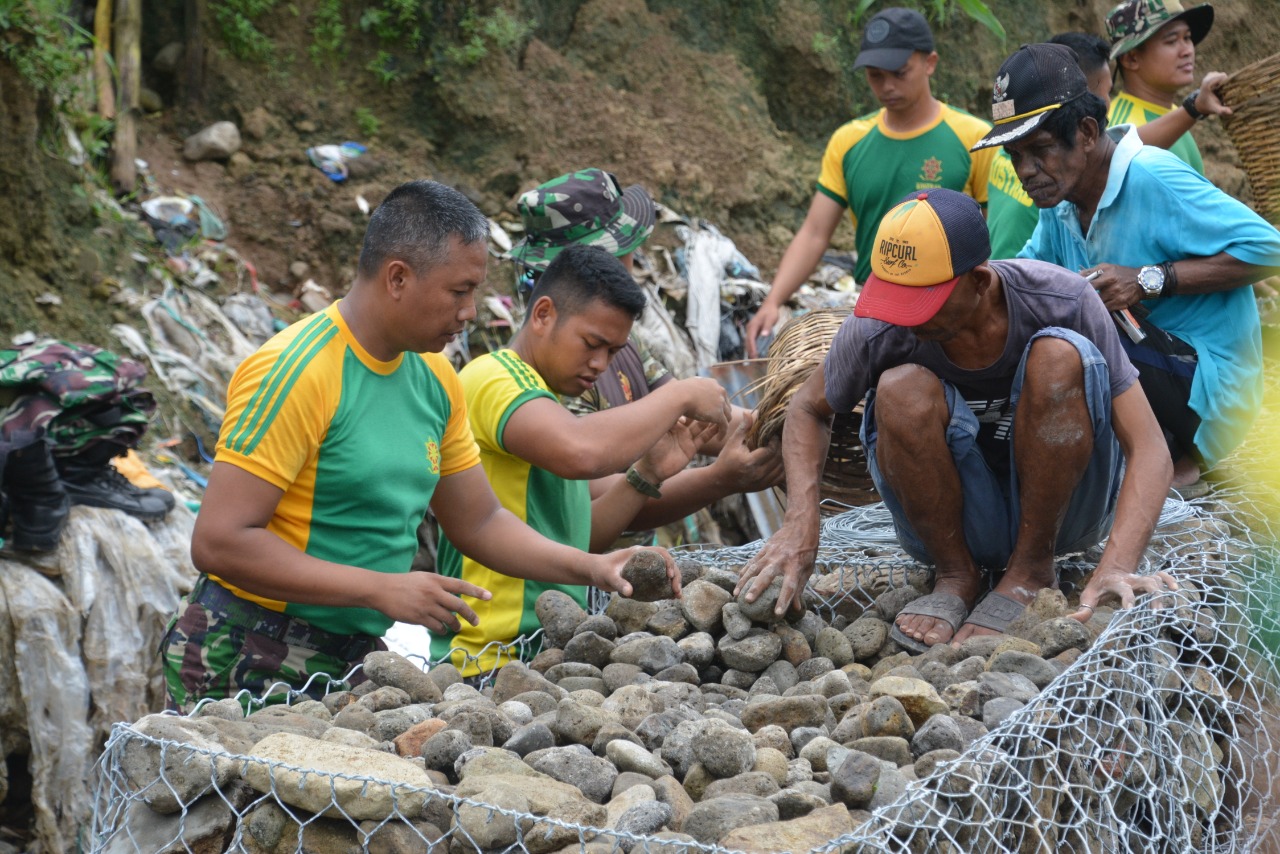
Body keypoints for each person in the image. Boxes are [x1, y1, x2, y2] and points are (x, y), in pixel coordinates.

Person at [160, 181, 679, 711]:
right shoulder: (296, 370)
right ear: (398, 278)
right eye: (460, 291)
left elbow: (479, 522)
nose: (472, 311)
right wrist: (380, 588)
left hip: (351, 652)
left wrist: (593, 567)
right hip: (244, 647)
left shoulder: (434, 376)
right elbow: (220, 541)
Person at [734, 187, 1177, 651]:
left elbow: (1149, 446)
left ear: (980, 282)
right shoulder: (879, 328)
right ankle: (956, 573)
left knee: (1059, 356)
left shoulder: (1061, 298)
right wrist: (801, 524)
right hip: (953, 523)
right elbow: (807, 408)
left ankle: (1029, 570)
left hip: (1067, 515)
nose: (903, 318)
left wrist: (1116, 565)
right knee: (899, 386)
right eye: (894, 298)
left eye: (921, 302)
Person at [976, 43, 1280, 494]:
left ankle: (1178, 461)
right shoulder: (1059, 202)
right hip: (1148, 370)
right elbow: (1025, 276)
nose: (1026, 170)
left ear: (1085, 131)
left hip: (1208, 389)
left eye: (1038, 150)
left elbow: (1268, 248)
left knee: (1079, 334)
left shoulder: (1152, 176)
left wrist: (1148, 279)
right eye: (1014, 157)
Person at [431, 244, 735, 675]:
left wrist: (647, 475)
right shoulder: (494, 378)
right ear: (542, 315)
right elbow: (581, 452)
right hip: (487, 660)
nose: (600, 364)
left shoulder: (546, 403)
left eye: (612, 352)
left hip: (546, 654)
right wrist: (679, 393)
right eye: (592, 344)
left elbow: (578, 537)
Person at [510, 168, 784, 543]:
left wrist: (782, 430)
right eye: (627, 253)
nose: (635, 262)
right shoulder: (537, 376)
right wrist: (718, 479)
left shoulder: (622, 340)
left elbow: (695, 420)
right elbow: (601, 506)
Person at [743, 6, 998, 358]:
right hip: (875, 307)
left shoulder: (974, 137)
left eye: (899, 72)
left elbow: (994, 235)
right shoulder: (849, 142)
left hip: (948, 312)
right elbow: (815, 233)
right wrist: (773, 300)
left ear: (930, 62)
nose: (887, 86)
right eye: (875, 76)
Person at [986, 31, 1231, 260]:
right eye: (1100, 94)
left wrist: (1153, 280)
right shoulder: (1060, 197)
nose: (1104, 105)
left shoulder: (1149, 173)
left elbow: (1253, 244)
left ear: (1087, 132)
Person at [1106, 0, 1215, 174]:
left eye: (1187, 38)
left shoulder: (1174, 113)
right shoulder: (1119, 124)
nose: (1187, 50)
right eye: (1172, 41)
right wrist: (1193, 109)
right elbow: (1113, 161)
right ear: (1131, 59)